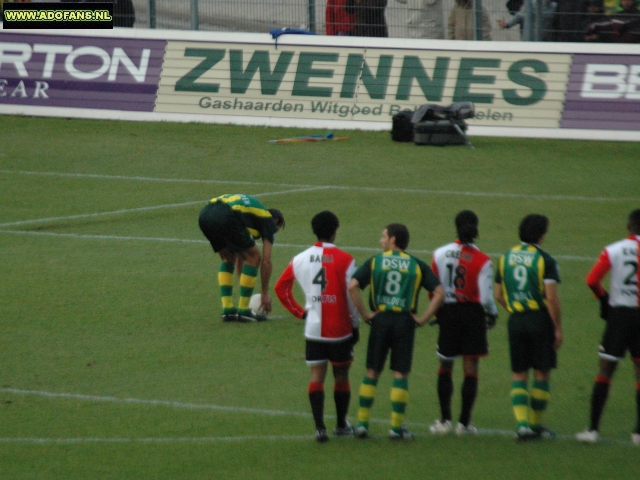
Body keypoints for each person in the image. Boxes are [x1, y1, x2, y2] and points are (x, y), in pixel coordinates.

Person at [349, 223, 445, 439]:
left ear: (393, 240)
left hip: (381, 320)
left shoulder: (375, 262)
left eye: (383, 236)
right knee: (400, 373)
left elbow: (352, 285)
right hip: (404, 321)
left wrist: (365, 314)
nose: (380, 240)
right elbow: (439, 292)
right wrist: (422, 319)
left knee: (372, 371)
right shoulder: (416, 264)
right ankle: (396, 428)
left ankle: (362, 424)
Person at [274, 211, 360, 442]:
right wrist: (355, 324)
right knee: (341, 375)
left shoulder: (300, 259)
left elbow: (281, 289)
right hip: (340, 330)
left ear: (314, 230)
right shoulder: (345, 259)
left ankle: (320, 428)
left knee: (316, 376)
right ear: (335, 230)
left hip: (313, 329)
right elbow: (352, 296)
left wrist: (300, 313)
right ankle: (341, 424)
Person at [428, 211, 499, 435]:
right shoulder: (483, 260)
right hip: (472, 315)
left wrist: (438, 313)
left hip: (448, 313)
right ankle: (464, 424)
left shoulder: (439, 254)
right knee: (470, 367)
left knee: (445, 365)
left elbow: (433, 290)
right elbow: (487, 299)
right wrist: (492, 314)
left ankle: (444, 420)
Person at [494, 214, 562, 441]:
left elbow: (497, 294)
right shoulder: (545, 260)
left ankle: (522, 425)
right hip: (540, 320)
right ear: (541, 235)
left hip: (516, 320)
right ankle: (534, 426)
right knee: (541, 373)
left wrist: (514, 309)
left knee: (519, 373)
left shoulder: (506, 258)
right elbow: (551, 299)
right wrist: (557, 327)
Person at [576, 209, 640, 446]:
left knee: (606, 369)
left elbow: (592, 280)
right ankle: (638, 434)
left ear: (628, 226)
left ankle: (592, 430)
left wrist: (603, 298)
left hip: (619, 316)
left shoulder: (614, 249)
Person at [198, 194, 284, 322]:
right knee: (255, 257)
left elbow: (240, 256)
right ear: (275, 221)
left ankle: (228, 310)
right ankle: (244, 310)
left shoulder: (249, 216)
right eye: (275, 231)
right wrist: (264, 293)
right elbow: (266, 262)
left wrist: (245, 286)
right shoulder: (267, 220)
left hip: (205, 214)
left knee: (228, 257)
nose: (271, 234)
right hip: (226, 214)